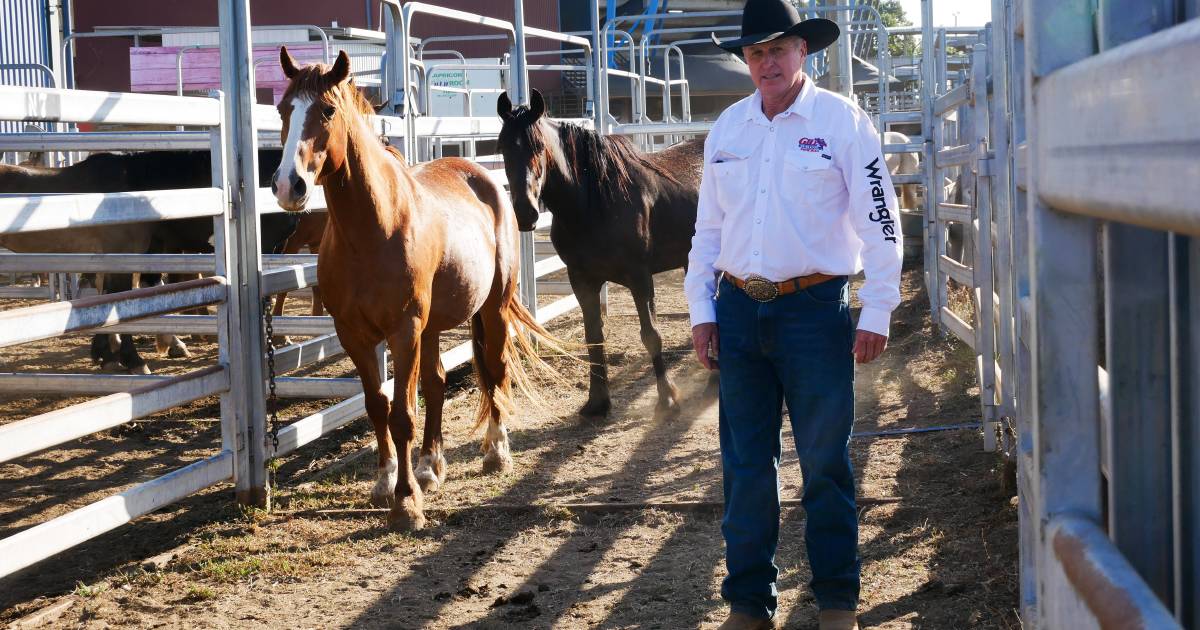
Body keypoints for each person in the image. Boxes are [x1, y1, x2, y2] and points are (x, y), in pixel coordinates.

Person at [684, 0, 903, 628]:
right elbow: (708, 230)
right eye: (756, 52)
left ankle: (837, 601)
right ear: (746, 60)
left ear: (803, 52)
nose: (766, 61)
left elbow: (880, 220)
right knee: (745, 465)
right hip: (738, 313)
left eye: (778, 49)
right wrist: (702, 310)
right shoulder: (729, 128)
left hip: (814, 311)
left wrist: (877, 309)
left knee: (825, 462)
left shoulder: (841, 122)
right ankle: (749, 604)